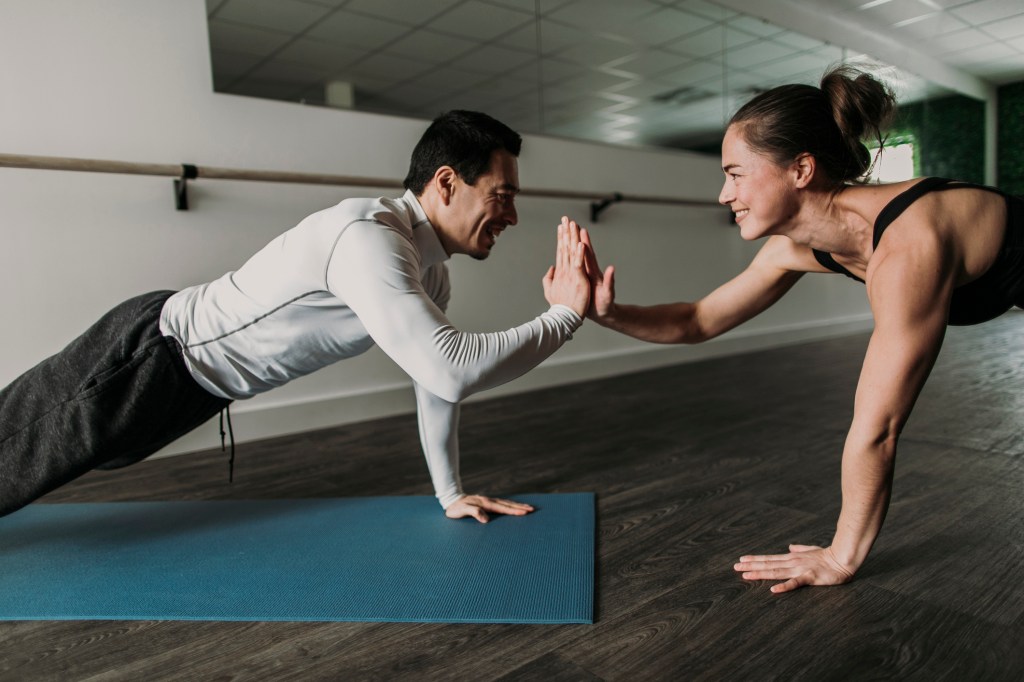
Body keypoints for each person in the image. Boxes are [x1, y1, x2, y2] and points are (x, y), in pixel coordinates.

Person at [0, 110, 591, 524]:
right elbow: (453, 370)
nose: (511, 217)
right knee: (14, 451)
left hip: (197, 388)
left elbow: (434, 383)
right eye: (503, 196)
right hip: (150, 354)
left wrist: (450, 493)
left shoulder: (429, 270)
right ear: (445, 182)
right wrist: (562, 316)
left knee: (51, 466)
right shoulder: (369, 239)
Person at [578, 65, 1024, 593]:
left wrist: (840, 557)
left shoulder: (907, 247)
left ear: (801, 170)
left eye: (736, 174)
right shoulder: (795, 247)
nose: (724, 195)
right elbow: (699, 320)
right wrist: (607, 312)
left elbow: (878, 429)